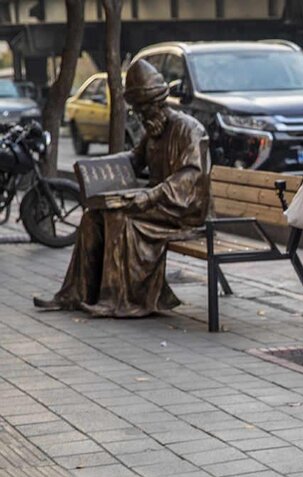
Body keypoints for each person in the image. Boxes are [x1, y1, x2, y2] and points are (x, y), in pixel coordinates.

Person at [33, 60, 210, 317]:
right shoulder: (153, 130)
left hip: (184, 210)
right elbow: (134, 160)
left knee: (119, 217)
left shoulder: (189, 129)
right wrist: (98, 169)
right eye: (137, 110)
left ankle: (117, 298)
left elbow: (191, 176)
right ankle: (76, 292)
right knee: (93, 216)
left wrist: (152, 196)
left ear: (159, 104)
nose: (141, 116)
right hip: (159, 204)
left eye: (144, 109)